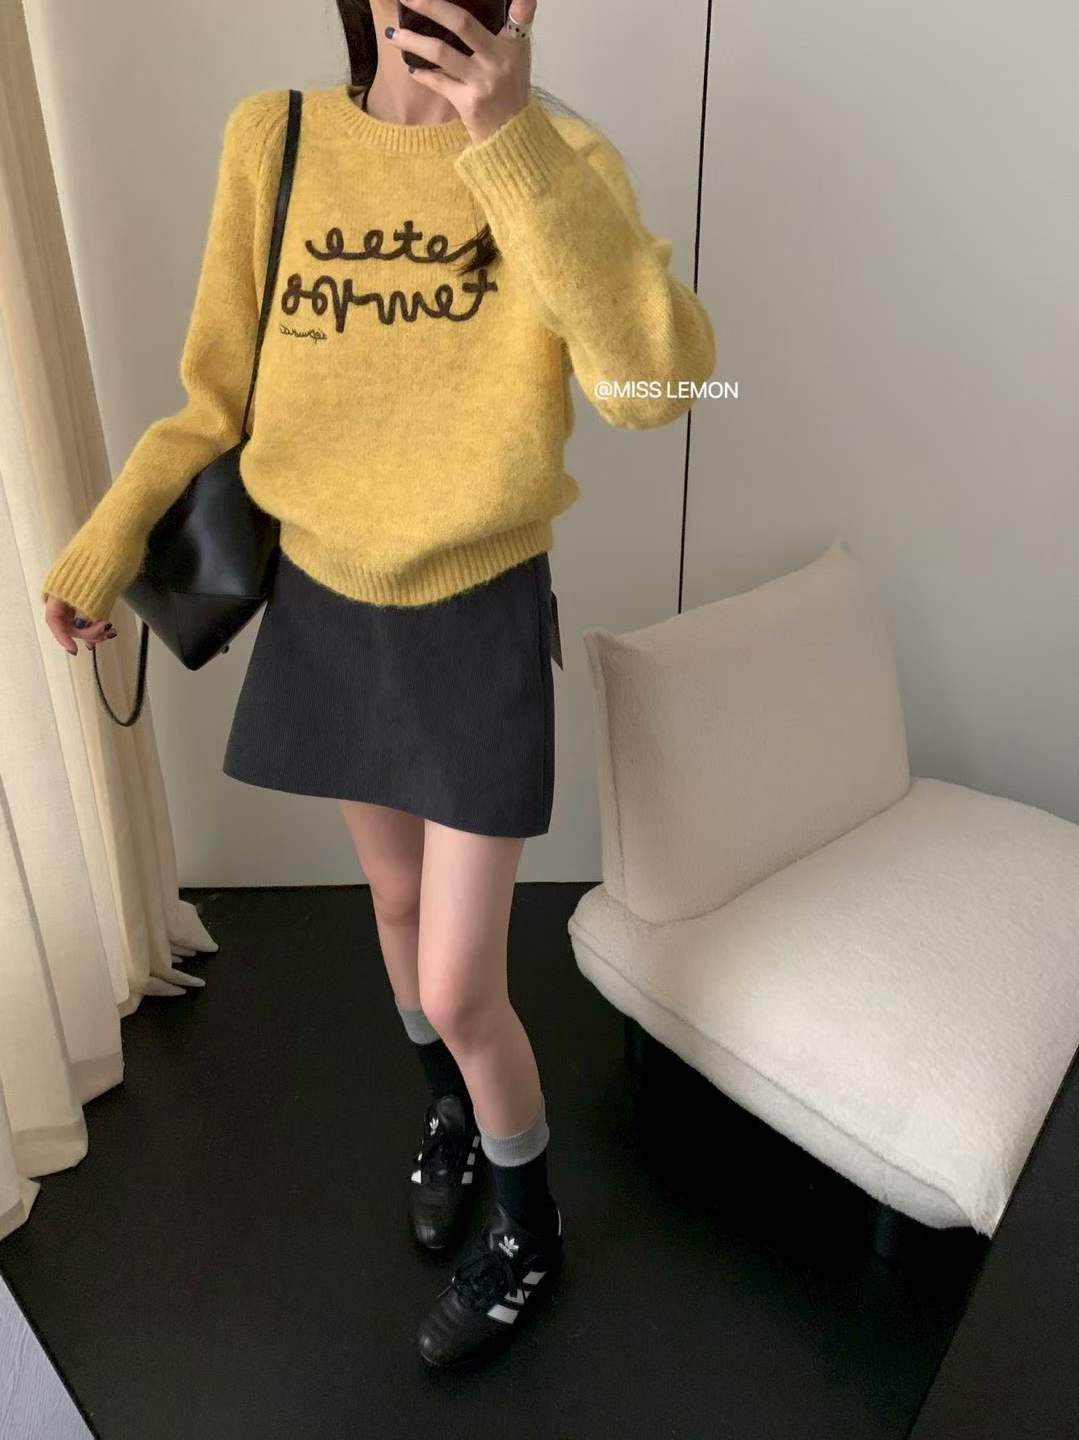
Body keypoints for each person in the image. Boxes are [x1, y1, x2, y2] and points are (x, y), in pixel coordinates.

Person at [40, 0, 716, 1370]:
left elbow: (658, 385)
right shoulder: (274, 140)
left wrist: (507, 139)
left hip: (476, 613)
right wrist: (109, 541)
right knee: (397, 907)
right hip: (326, 603)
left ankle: (529, 1227)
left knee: (464, 982)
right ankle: (452, 1110)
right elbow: (213, 398)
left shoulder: (561, 158)